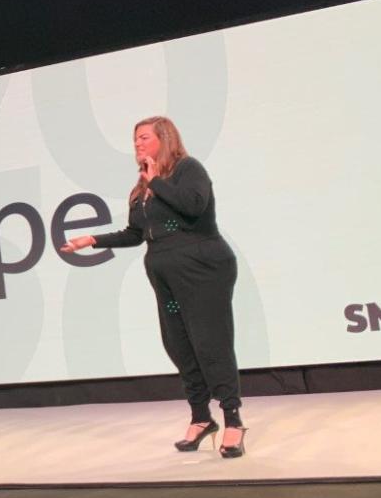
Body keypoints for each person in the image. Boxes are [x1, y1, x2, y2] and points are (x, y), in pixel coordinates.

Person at [60, 116, 246, 458]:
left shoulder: (187, 169)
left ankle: (233, 420)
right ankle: (201, 418)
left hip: (203, 270)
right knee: (179, 345)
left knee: (210, 343)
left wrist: (157, 182)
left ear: (164, 137)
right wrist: (93, 239)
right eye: (134, 139)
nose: (137, 144)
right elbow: (135, 234)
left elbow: (194, 205)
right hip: (166, 278)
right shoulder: (142, 186)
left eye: (143, 137)